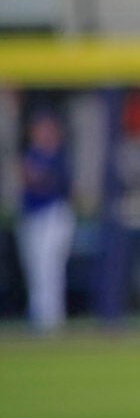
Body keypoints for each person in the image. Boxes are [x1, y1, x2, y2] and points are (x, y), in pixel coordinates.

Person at [16, 108, 76, 334]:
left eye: (48, 128)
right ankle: (40, 316)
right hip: (31, 216)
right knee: (35, 268)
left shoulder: (58, 155)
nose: (44, 133)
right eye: (40, 128)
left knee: (49, 267)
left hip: (54, 215)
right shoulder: (30, 153)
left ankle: (51, 319)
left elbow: (51, 183)